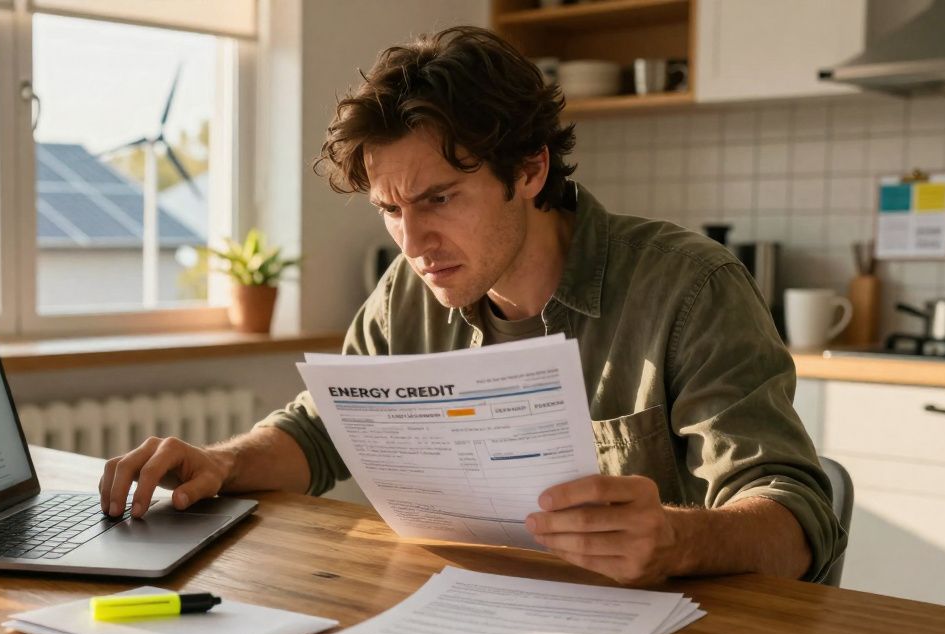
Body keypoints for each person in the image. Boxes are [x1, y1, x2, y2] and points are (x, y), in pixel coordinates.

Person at [98, 26, 845, 586]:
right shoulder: (410, 291)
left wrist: (678, 540)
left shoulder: (689, 288)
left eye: (439, 199)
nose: (414, 242)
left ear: (530, 169)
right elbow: (324, 431)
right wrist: (221, 462)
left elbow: (796, 518)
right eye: (390, 210)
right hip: (475, 618)